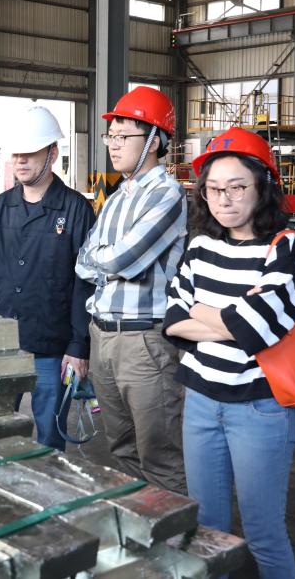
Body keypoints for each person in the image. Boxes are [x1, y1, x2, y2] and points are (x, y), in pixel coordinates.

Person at [163, 126, 295, 578]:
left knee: (263, 532)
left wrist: (203, 311)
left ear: (262, 187)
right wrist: (229, 318)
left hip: (259, 408)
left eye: (237, 187)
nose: (223, 199)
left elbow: (255, 329)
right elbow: (173, 321)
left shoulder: (285, 248)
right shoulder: (200, 246)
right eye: (213, 189)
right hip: (200, 402)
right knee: (206, 530)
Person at [75, 86, 187, 491]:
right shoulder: (117, 197)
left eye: (124, 136)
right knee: (121, 448)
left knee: (159, 453)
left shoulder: (167, 194)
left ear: (154, 141)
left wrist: (104, 258)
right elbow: (82, 260)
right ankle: (143, 520)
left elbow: (121, 260)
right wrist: (106, 258)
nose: (113, 145)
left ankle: (176, 527)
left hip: (143, 343)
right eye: (111, 136)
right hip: (102, 337)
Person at [0, 106, 96, 451]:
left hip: (53, 350)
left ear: (52, 153)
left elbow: (86, 285)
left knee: (50, 438)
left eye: (31, 152)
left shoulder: (76, 210)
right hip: (3, 345)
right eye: (16, 153)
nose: (20, 160)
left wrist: (79, 346)